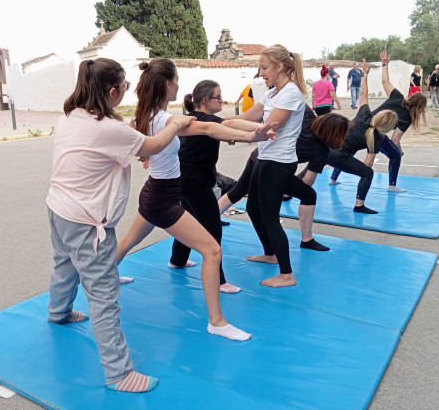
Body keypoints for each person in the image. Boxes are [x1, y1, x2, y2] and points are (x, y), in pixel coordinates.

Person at [46, 58, 194, 393]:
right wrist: (175, 125)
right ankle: (118, 373)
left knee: (65, 264)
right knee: (103, 294)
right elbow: (153, 145)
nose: (128, 87)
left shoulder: (71, 116)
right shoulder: (108, 129)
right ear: (111, 91)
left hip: (59, 208)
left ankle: (59, 311)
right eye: (124, 84)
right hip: (86, 220)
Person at [116, 58, 277, 342]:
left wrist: (249, 135)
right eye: (176, 80)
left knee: (128, 241)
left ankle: (101, 278)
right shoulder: (165, 119)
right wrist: (252, 136)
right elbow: (207, 129)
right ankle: (216, 321)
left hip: (154, 192)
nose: (179, 85)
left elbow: (212, 127)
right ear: (167, 84)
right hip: (163, 199)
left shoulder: (148, 115)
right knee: (212, 251)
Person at [218, 44, 308, 288]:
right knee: (255, 209)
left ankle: (287, 274)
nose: (260, 73)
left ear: (280, 67)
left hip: (279, 162)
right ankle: (271, 254)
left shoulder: (290, 93)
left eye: (264, 67)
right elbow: (248, 117)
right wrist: (211, 122)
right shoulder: (271, 93)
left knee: (269, 216)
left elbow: (268, 129)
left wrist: (227, 131)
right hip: (266, 159)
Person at [170, 80, 272, 293]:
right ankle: (219, 280)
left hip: (181, 180)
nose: (222, 100)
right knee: (212, 228)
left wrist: (259, 129)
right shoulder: (209, 121)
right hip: (196, 184)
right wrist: (262, 129)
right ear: (206, 101)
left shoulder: (189, 119)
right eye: (218, 97)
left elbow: (230, 126)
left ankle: (177, 260)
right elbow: (230, 125)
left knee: (188, 219)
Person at [217, 108, 350, 253]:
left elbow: (292, 104)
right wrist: (286, 186)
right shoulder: (321, 151)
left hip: (257, 156)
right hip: (271, 167)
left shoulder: (306, 117)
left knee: (237, 192)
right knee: (309, 195)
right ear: (336, 135)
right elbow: (308, 181)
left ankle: (207, 220)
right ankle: (307, 239)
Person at [331, 51, 427, 192]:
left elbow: (385, 82)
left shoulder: (398, 96)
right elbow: (395, 139)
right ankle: (392, 185)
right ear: (420, 109)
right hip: (376, 133)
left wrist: (384, 64)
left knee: (348, 150)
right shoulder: (407, 118)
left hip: (364, 123)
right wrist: (399, 152)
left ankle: (333, 179)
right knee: (394, 155)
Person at [326, 58, 398, 214]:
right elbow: (368, 163)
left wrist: (364, 74)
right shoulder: (376, 136)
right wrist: (362, 176)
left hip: (325, 148)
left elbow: (363, 94)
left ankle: (285, 192)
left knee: (312, 169)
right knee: (368, 173)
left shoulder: (364, 114)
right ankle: (359, 205)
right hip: (338, 156)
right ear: (387, 127)